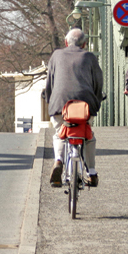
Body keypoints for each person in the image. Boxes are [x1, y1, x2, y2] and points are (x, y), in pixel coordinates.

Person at [44, 28, 104, 188]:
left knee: (59, 134)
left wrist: (50, 100)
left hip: (60, 104)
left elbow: (50, 81)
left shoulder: (56, 55)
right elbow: (98, 82)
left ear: (65, 42)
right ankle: (91, 171)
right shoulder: (89, 57)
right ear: (84, 44)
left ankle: (59, 160)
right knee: (89, 136)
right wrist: (97, 101)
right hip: (85, 105)